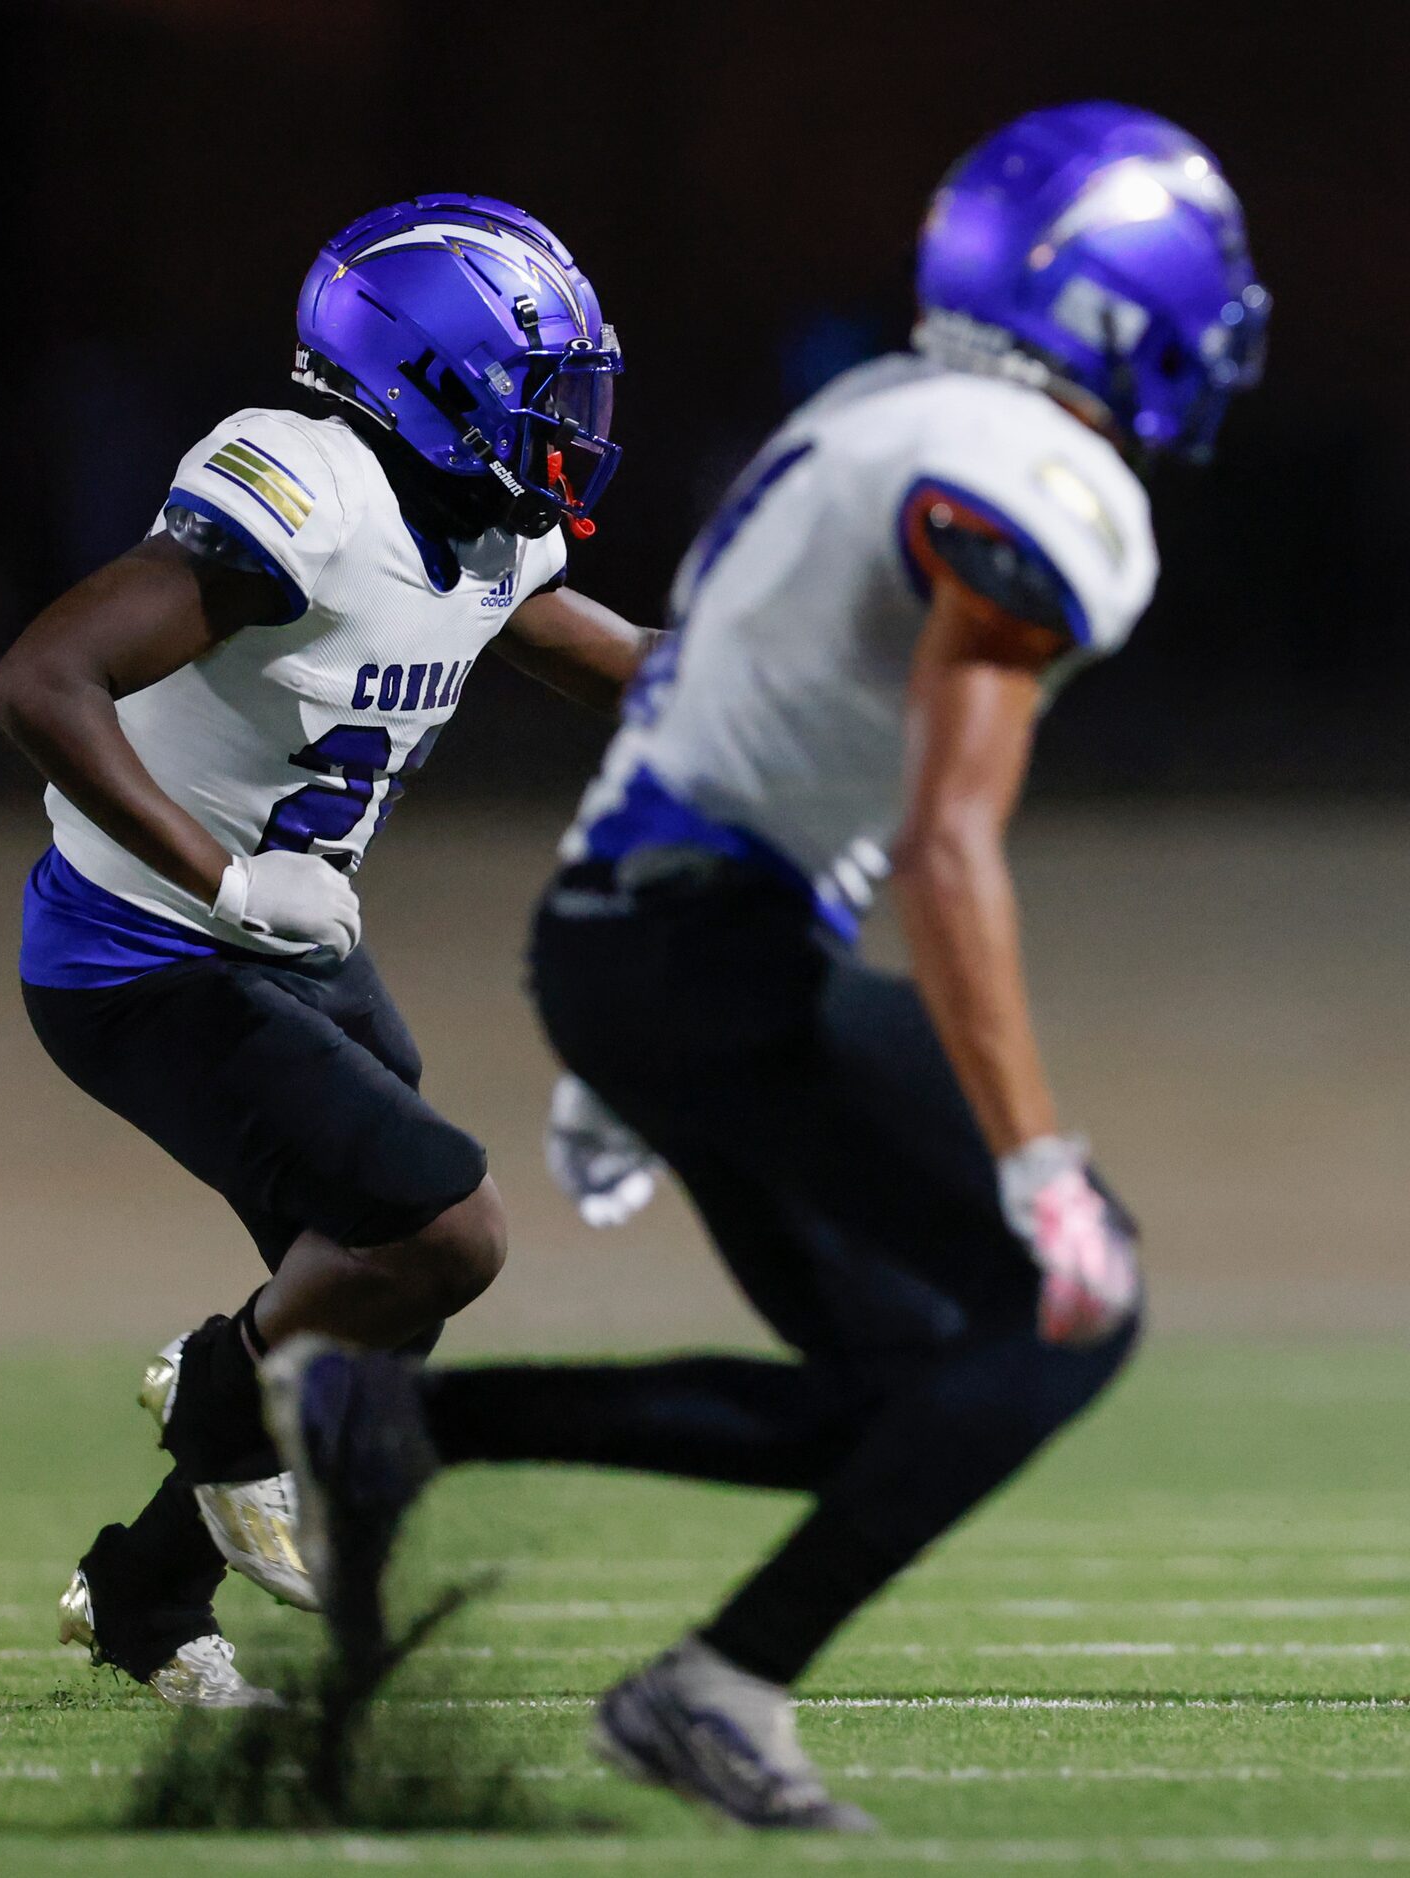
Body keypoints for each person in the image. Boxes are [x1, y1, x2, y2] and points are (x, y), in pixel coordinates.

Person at [265, 102, 1270, 1830]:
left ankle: (399, 1430)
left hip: (637, 944)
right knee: (1066, 1316)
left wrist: (616, 1043)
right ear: (1122, 300)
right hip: (711, 956)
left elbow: (706, 709)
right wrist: (1037, 1165)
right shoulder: (1045, 481)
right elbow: (950, 844)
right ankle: (715, 1684)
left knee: (895, 1396)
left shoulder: (871, 415)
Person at [0, 196, 653, 1707]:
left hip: (280, 946)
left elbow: (599, 658)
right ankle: (215, 1392)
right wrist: (220, 874)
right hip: (140, 951)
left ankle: (145, 1596)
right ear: (433, 378)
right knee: (441, 1227)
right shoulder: (313, 492)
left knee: (378, 1291)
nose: (569, 429)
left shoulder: (477, 526)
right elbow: (41, 678)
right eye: (543, 390)